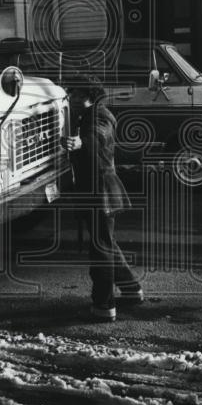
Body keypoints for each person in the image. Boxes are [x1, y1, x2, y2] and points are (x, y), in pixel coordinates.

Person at [61, 81, 144, 322]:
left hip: (101, 192)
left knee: (101, 249)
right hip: (96, 191)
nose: (72, 97)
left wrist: (81, 142)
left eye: (77, 93)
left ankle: (104, 305)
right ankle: (131, 288)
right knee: (107, 243)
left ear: (91, 95)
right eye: (72, 93)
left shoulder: (99, 116)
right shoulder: (88, 114)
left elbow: (99, 135)